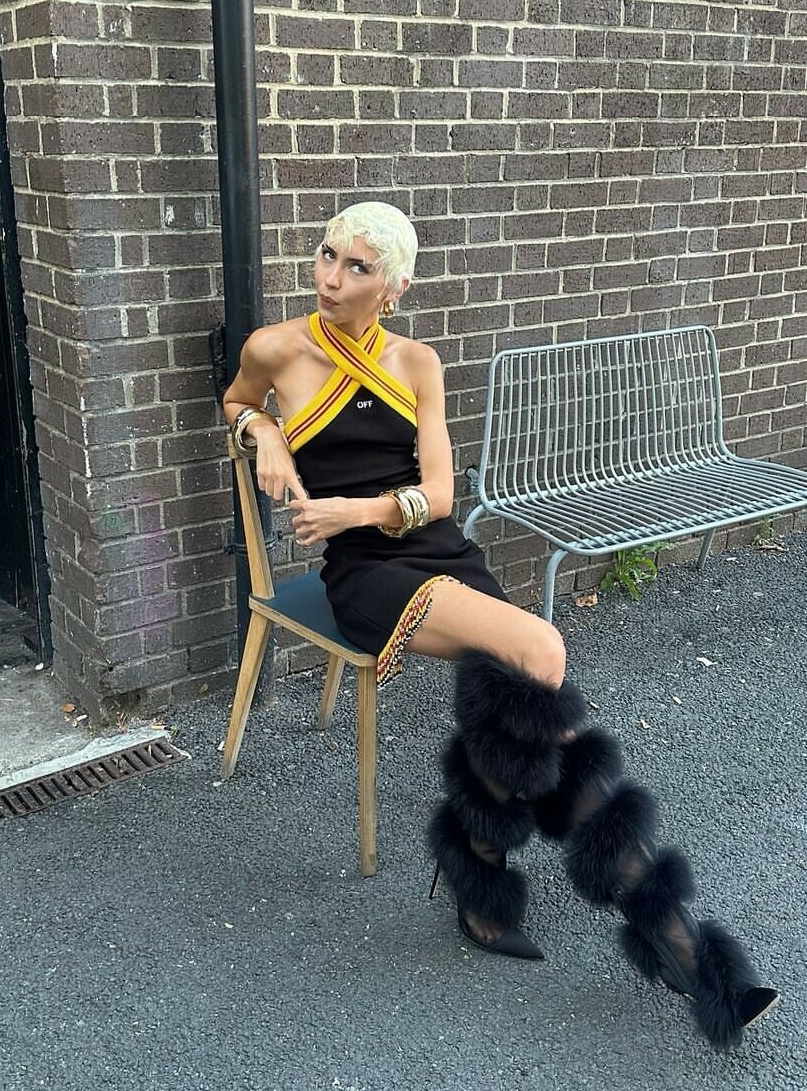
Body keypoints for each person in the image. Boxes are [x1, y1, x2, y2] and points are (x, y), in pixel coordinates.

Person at [222, 201, 778, 1047]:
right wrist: (260, 427)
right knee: (539, 651)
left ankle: (482, 870)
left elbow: (441, 494)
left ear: (395, 286)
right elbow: (234, 395)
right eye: (327, 255)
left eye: (358, 267)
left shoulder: (418, 362)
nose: (331, 278)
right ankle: (676, 940)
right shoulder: (278, 347)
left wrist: (349, 508)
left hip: (432, 547)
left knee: (526, 688)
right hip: (363, 574)